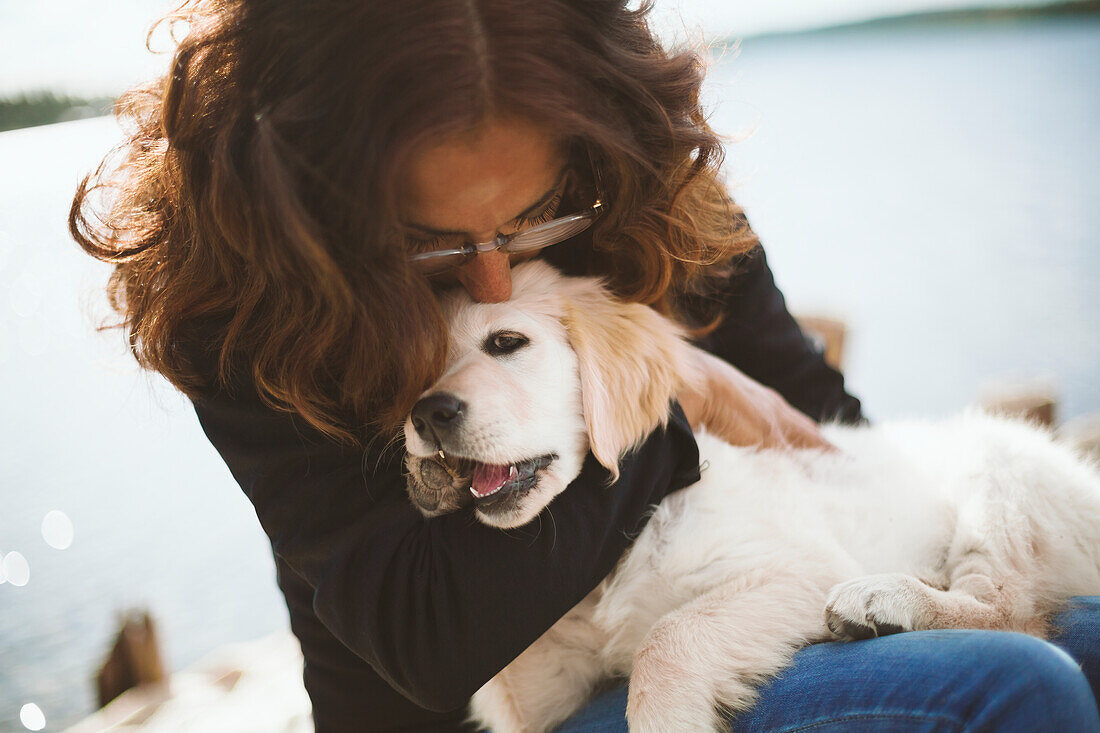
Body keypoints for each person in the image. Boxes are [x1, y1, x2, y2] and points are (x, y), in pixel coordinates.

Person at [70, 0, 1099, 730]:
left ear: (588, 145)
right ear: (322, 197)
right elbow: (429, 637)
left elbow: (820, 433)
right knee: (1011, 687)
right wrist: (668, 395)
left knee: (1084, 630)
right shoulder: (254, 314)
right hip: (476, 707)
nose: (486, 270)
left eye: (531, 216)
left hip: (751, 603)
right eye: (428, 239)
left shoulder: (642, 201)